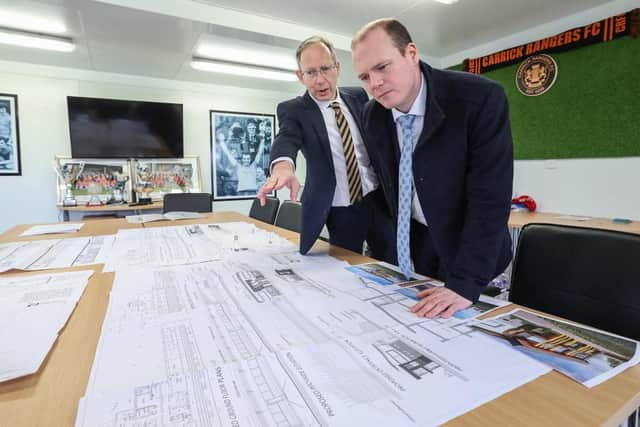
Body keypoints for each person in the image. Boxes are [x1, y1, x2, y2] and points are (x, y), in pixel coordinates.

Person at [351, 19, 514, 318]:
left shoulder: (480, 99)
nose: (374, 83)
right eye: (364, 76)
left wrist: (466, 283)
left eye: (382, 67)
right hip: (420, 252)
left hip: (475, 255)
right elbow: (387, 190)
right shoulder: (373, 114)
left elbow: (490, 200)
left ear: (411, 53)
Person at [257, 36, 395, 261]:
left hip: (377, 199)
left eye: (325, 69)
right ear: (300, 76)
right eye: (310, 72)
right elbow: (286, 138)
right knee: (346, 269)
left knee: (393, 262)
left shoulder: (358, 96)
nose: (319, 80)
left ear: (337, 68)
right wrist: (282, 166)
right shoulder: (294, 110)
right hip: (340, 210)